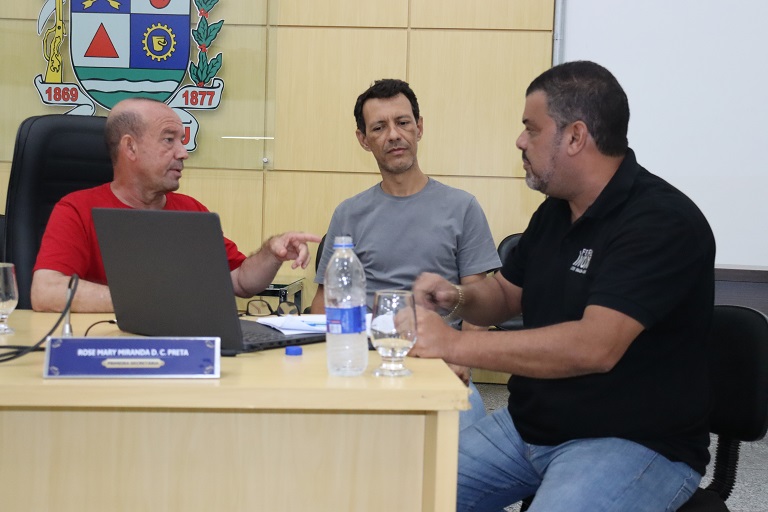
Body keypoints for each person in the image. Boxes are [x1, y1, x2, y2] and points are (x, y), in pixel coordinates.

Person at [411, 61, 715, 512]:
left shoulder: (662, 222)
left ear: (575, 137)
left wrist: (452, 345)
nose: (520, 141)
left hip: (633, 442)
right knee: (403, 493)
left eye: (531, 129)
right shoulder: (556, 211)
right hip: (530, 427)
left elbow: (594, 347)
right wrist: (456, 298)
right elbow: (504, 296)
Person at [311, 79, 501, 428]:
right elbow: (324, 306)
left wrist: (462, 358)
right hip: (364, 362)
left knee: (463, 438)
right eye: (379, 127)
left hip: (438, 361)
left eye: (402, 122)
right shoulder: (349, 214)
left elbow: (480, 304)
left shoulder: (462, 208)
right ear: (363, 139)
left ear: (419, 127)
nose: (394, 135)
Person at [31, 97, 321, 313]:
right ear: (130, 147)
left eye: (182, 141)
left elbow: (241, 282)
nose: (183, 153)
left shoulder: (191, 211)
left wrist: (271, 252)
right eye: (169, 140)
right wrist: (150, 302)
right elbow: (46, 292)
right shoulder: (76, 209)